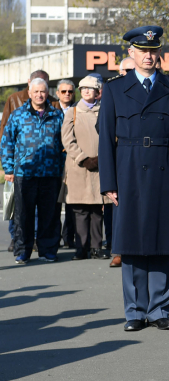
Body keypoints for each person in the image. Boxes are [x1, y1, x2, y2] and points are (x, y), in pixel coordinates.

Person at [99, 26, 169, 332]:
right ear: (131, 53)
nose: (149, 56)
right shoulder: (114, 89)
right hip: (128, 169)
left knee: (164, 240)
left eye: (153, 51)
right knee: (133, 242)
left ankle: (159, 309)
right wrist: (109, 183)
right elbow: (105, 143)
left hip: (166, 169)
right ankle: (135, 311)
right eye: (143, 51)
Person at [1, 77, 65, 264]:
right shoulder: (18, 115)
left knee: (50, 214)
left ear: (48, 93)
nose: (39, 95)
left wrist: (62, 168)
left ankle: (48, 250)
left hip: (51, 174)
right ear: (29, 93)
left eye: (43, 91)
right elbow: (7, 143)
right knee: (23, 215)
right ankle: (22, 251)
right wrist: (8, 168)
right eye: (35, 91)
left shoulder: (57, 115)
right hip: (24, 174)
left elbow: (64, 144)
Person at [61, 76, 110, 260]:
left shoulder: (104, 110)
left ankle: (96, 247)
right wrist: (83, 159)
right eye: (84, 88)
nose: (87, 91)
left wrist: (101, 157)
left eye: (91, 89)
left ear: (98, 92)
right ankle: (81, 247)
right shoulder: (72, 112)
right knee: (80, 210)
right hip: (78, 168)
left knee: (98, 210)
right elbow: (67, 139)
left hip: (100, 166)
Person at [55, 79, 77, 249]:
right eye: (63, 92)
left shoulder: (78, 110)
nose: (67, 94)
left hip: (73, 163)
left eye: (70, 91)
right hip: (54, 164)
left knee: (72, 204)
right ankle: (53, 239)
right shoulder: (50, 110)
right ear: (57, 93)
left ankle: (69, 238)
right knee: (53, 205)